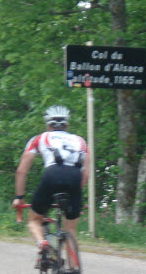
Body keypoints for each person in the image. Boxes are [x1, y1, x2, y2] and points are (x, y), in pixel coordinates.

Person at [11, 105, 90, 253]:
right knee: (70, 230)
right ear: (67, 125)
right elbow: (86, 175)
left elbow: (21, 171)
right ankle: (72, 272)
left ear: (48, 124)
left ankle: (42, 243)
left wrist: (19, 197)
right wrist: (74, 194)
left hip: (52, 174)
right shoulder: (81, 141)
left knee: (34, 219)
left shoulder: (40, 138)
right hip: (75, 177)